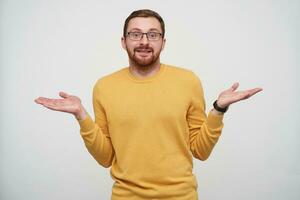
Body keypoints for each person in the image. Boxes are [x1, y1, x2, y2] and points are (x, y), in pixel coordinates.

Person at [35, 9, 262, 200]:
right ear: (124, 42)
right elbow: (105, 158)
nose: (144, 41)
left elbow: (200, 151)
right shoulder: (104, 87)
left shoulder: (188, 81)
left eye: (153, 35)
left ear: (163, 42)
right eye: (136, 34)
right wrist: (81, 115)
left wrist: (218, 109)